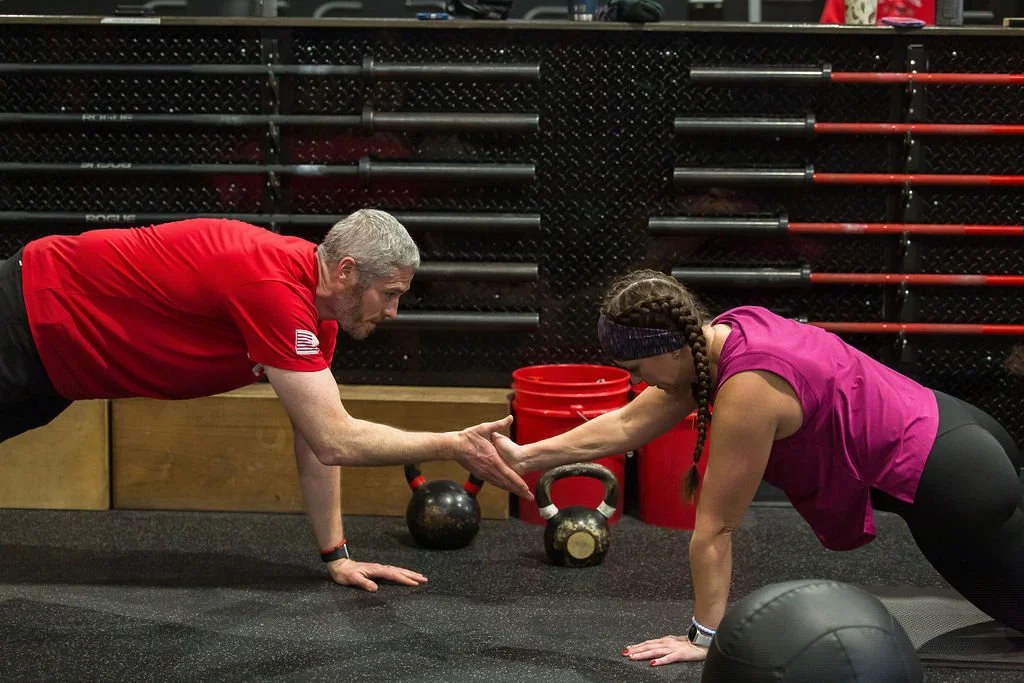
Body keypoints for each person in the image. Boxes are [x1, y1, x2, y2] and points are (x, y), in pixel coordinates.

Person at [492, 268, 1023, 667]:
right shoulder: (724, 334)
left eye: (635, 367)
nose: (637, 381)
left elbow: (716, 529)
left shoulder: (749, 387)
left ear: (670, 348)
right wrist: (523, 455)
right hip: (957, 431)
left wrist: (704, 637)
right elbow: (629, 423)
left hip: (953, 481)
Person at [1, 209, 532, 592]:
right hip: (25, 314)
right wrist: (452, 444)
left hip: (59, 364)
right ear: (346, 272)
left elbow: (316, 437)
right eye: (389, 294)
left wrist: (337, 556)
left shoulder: (317, 318)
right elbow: (336, 439)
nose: (393, 312)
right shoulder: (274, 288)